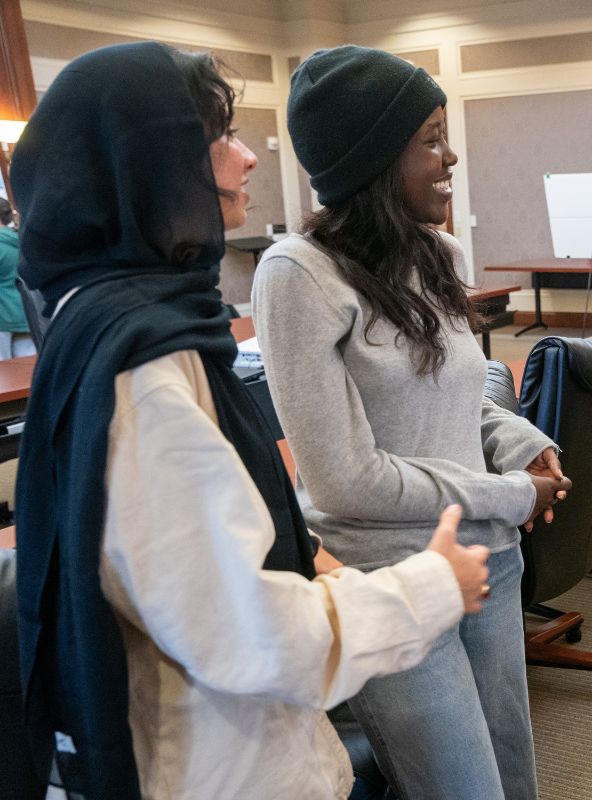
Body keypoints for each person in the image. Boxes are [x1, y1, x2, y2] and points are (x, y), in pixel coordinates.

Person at [11, 42, 492, 800]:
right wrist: (431, 587)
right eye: (218, 138)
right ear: (152, 166)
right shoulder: (146, 375)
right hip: (218, 765)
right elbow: (250, 634)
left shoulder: (120, 327)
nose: (248, 160)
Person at [252, 46, 571, 800]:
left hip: (489, 560)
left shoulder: (437, 252)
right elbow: (346, 479)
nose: (450, 153)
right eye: (429, 138)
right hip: (389, 579)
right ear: (373, 158)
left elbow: (460, 398)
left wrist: (524, 443)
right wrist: (512, 496)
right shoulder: (297, 275)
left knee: (514, 782)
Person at [0, 198, 34, 359]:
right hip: (26, 314)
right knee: (27, 373)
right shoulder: (21, 240)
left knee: (4, 378)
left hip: (3, 321)